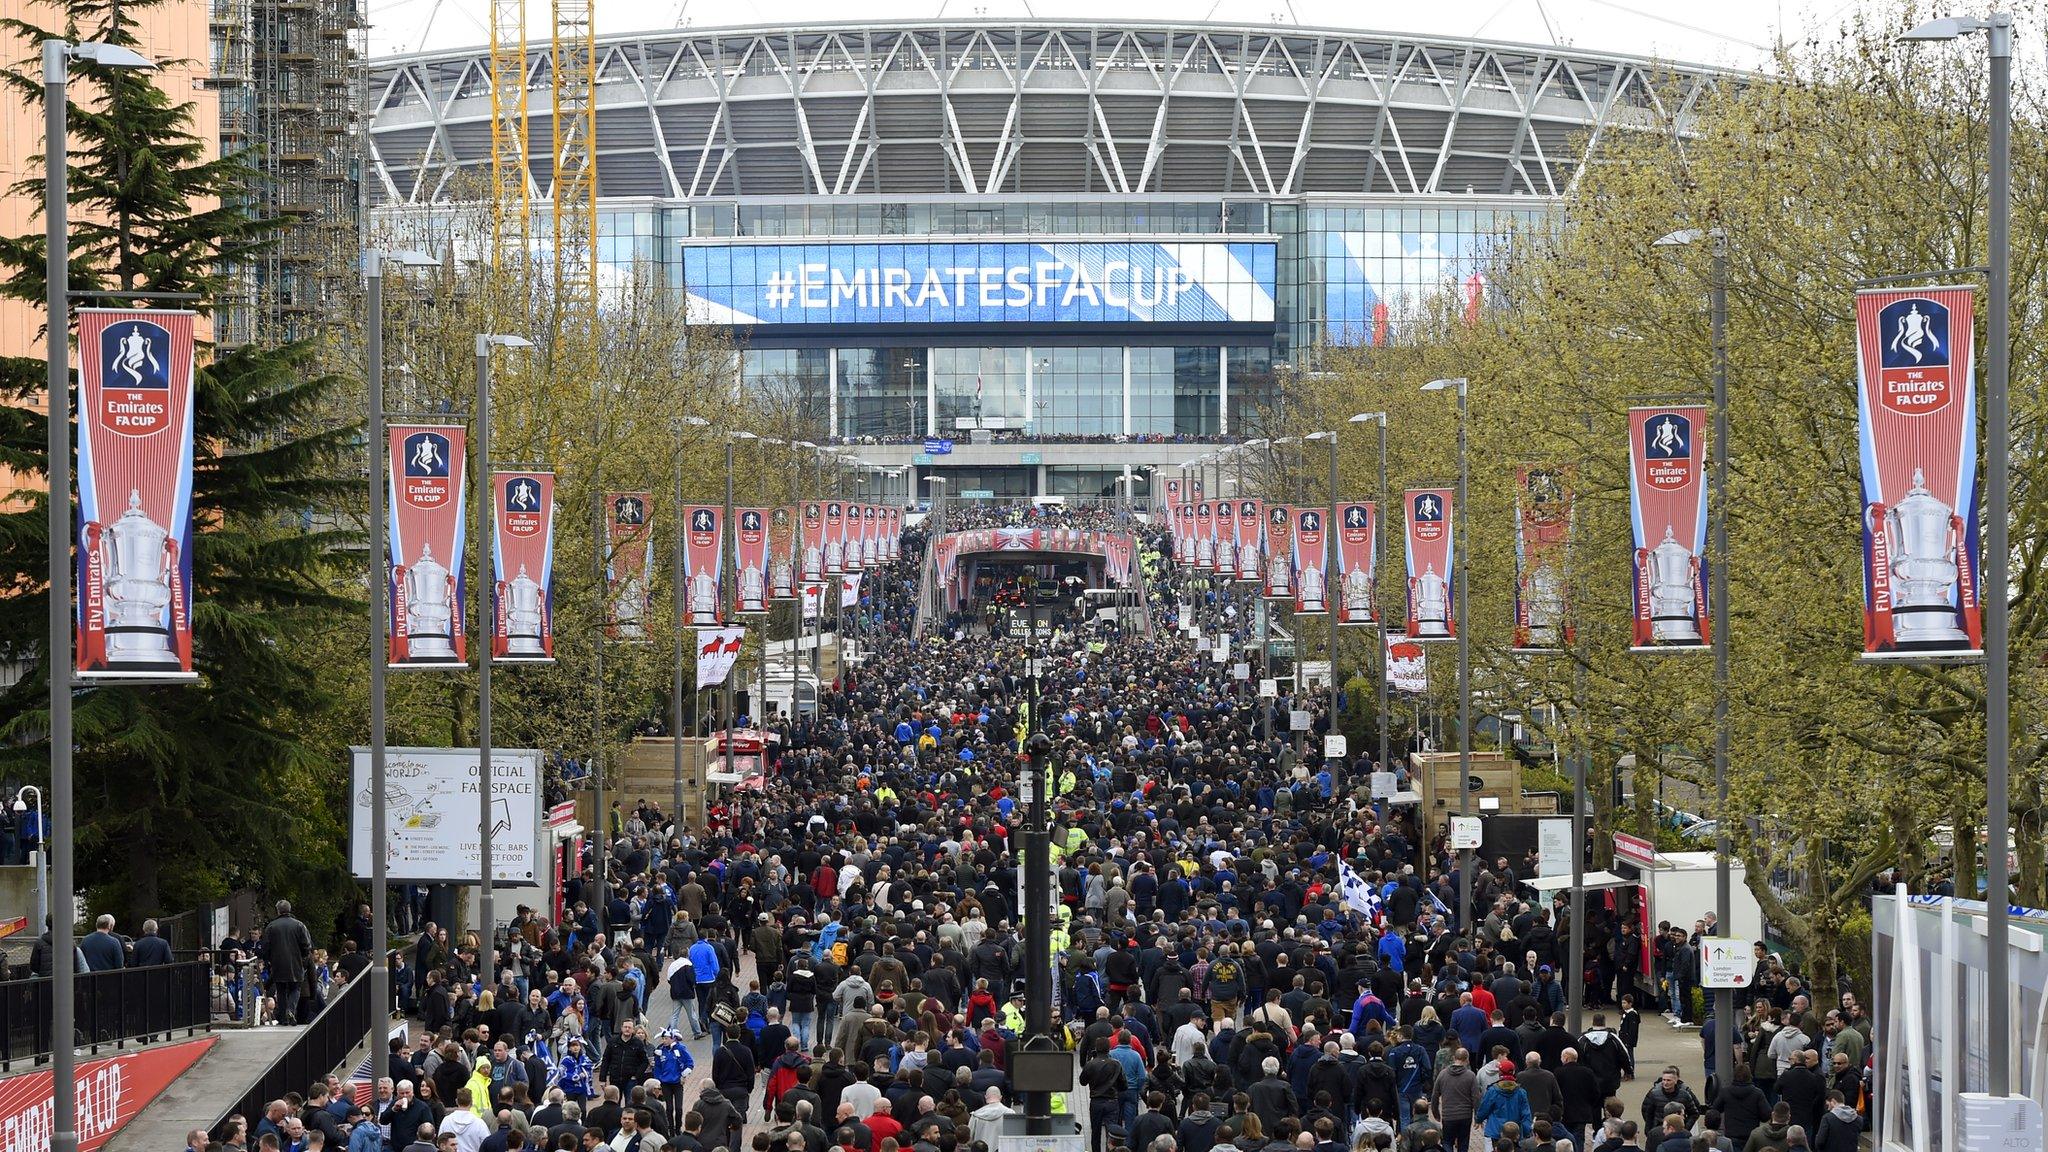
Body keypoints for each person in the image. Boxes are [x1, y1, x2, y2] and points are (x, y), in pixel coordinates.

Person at [264, 900, 315, 1022]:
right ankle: (291, 1010)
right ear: (289, 909)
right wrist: (302, 958)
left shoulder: (271, 926)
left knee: (281, 990)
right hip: (295, 963)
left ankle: (283, 1018)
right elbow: (306, 945)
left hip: (278, 963)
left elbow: (266, 947)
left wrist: (270, 960)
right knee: (295, 988)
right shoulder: (299, 925)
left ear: (278, 910)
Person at [1476, 1061, 1533, 1142]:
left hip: (1496, 1130)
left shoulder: (1493, 1090)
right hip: (1515, 1131)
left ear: (1499, 1072)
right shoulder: (1521, 1092)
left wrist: (1479, 1119)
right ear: (1513, 1072)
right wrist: (1527, 1131)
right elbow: (1526, 1113)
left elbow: (1485, 1107)